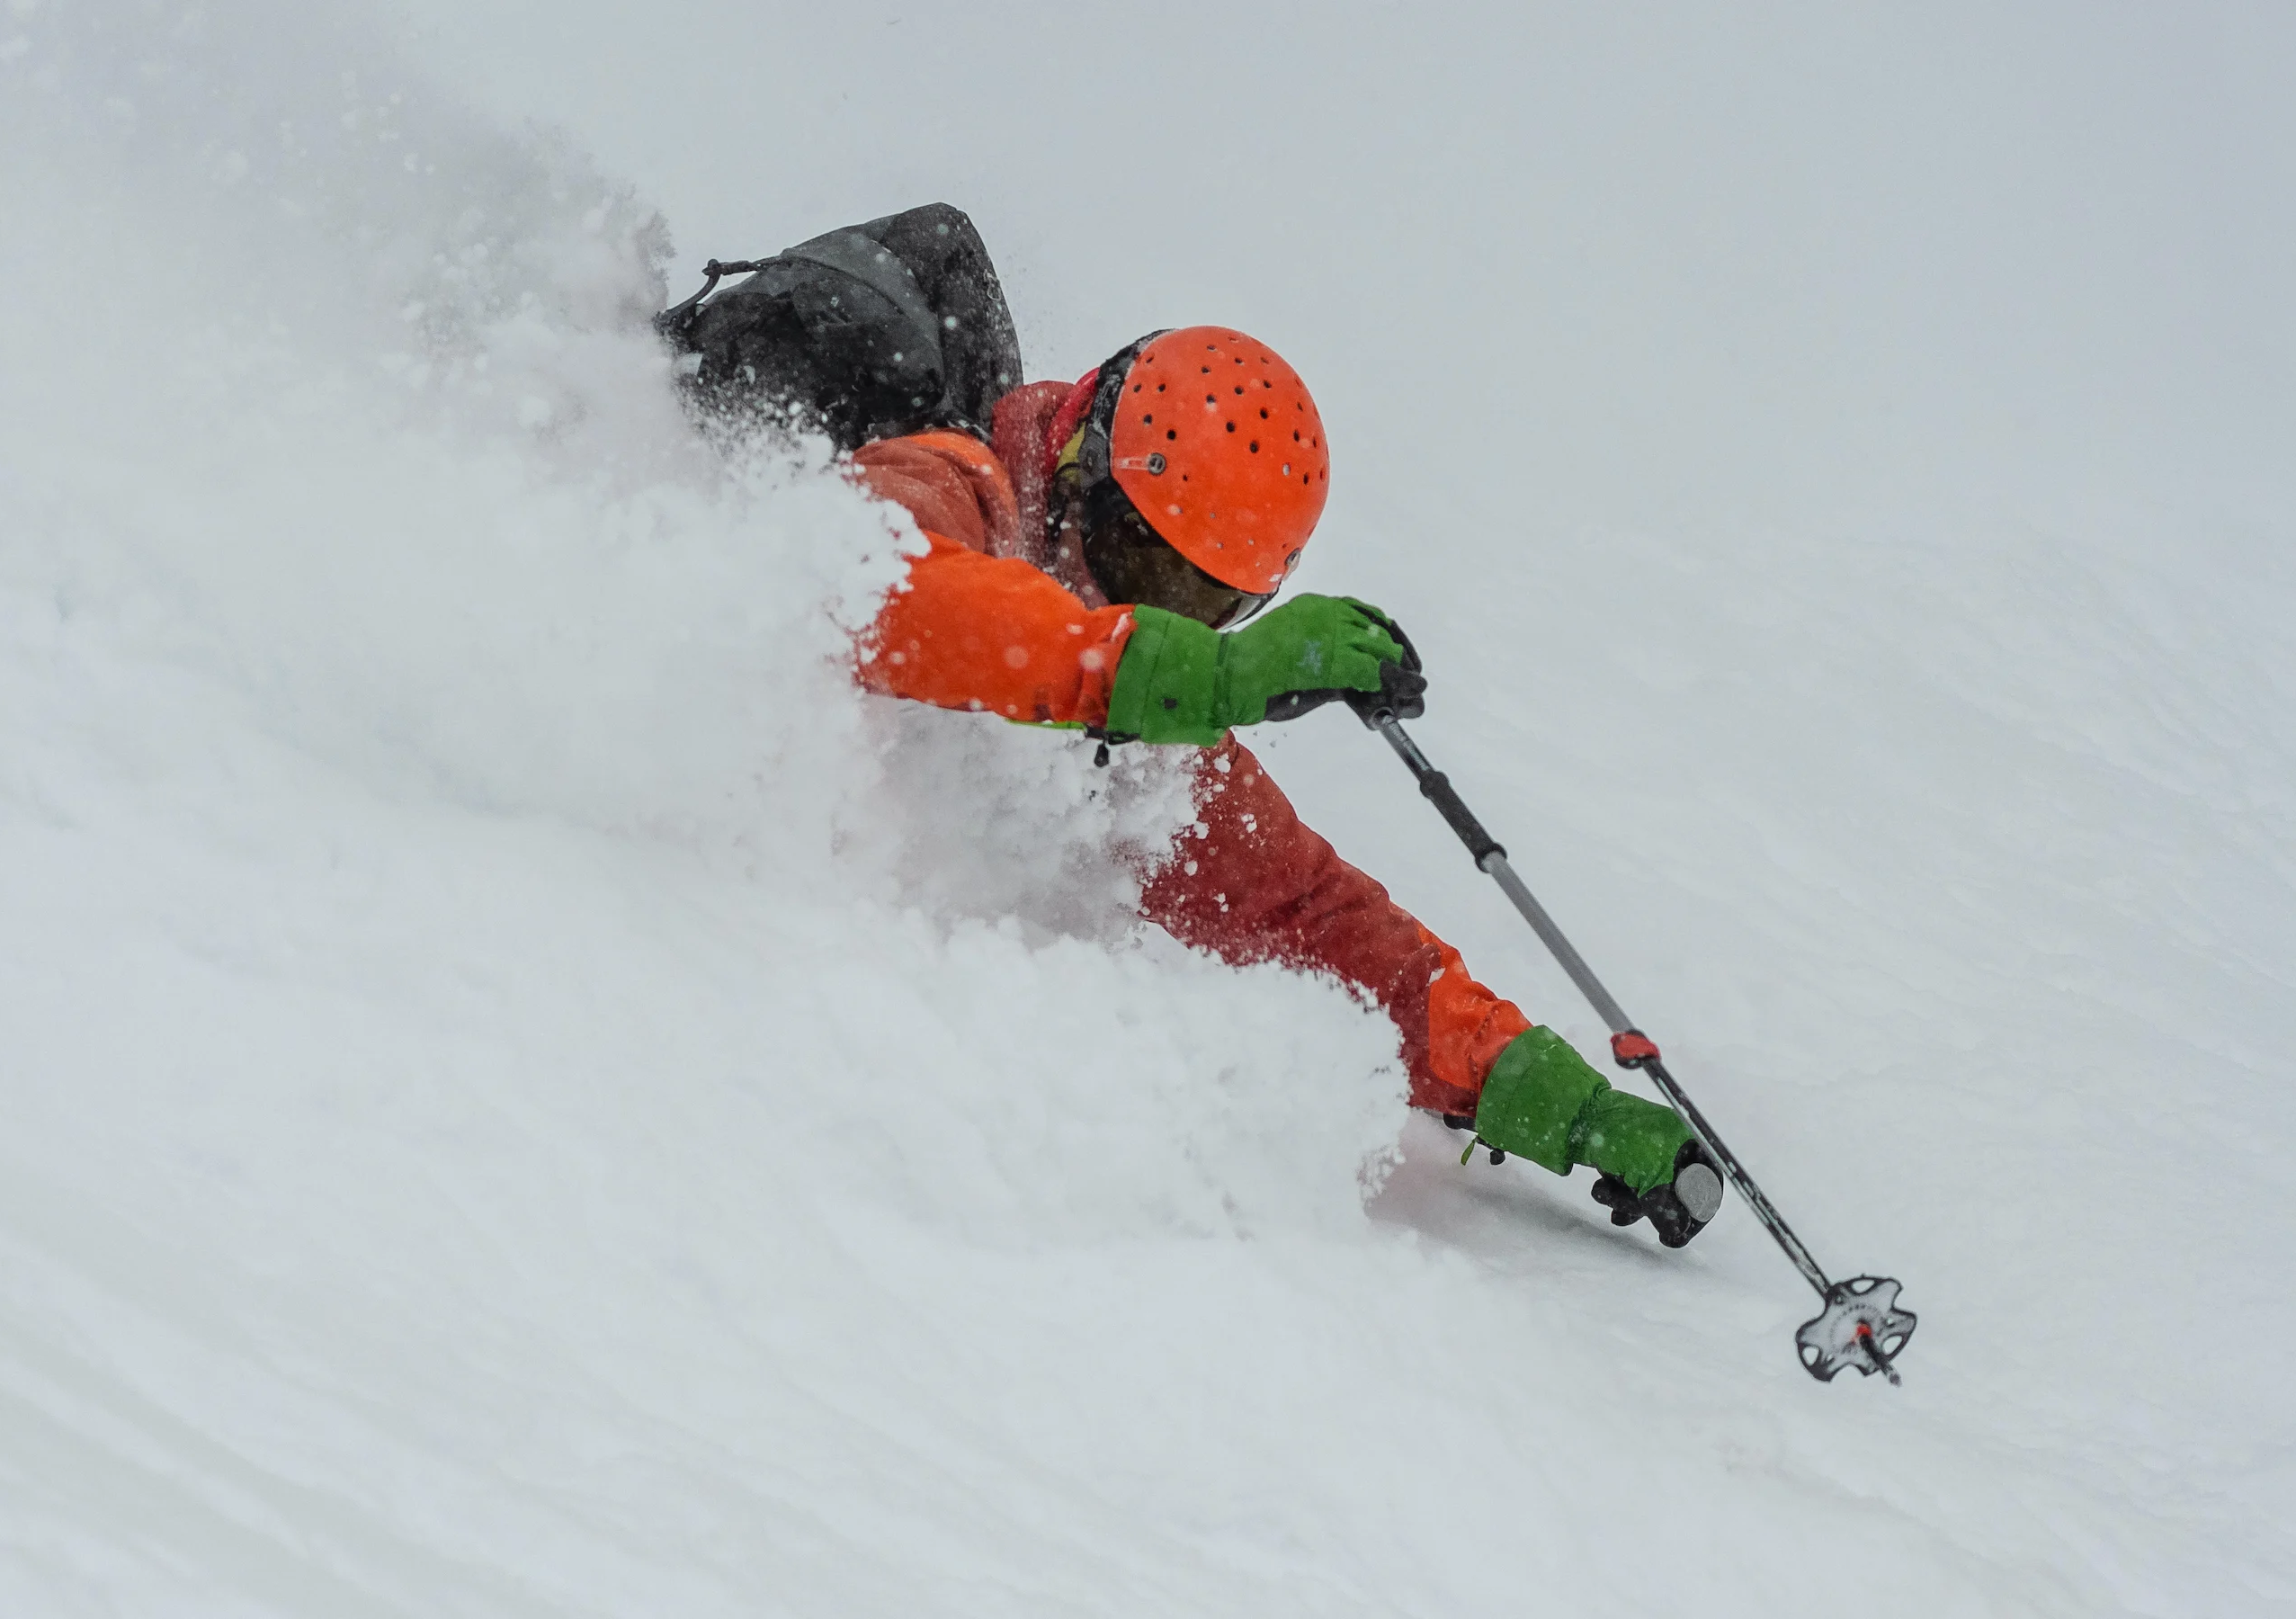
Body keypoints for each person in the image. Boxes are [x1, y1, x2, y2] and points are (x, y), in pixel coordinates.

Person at [664, 205, 1724, 1245]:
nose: (1166, 614)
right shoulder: (960, 481)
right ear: (1084, 473)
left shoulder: (1142, 690)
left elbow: (1304, 915)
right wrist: (1196, 668)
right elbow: (874, 586)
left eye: (1210, 603)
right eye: (1147, 567)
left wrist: (1552, 1097)